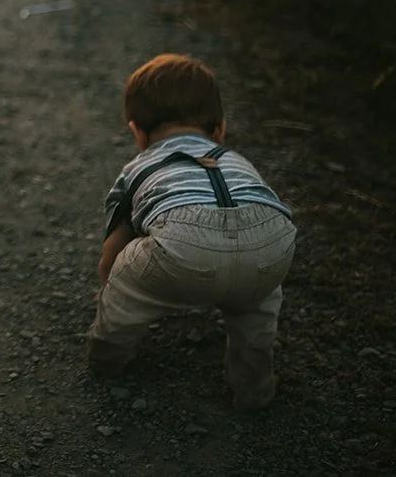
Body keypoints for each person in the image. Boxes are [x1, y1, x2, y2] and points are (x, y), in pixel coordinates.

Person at [88, 54, 297, 410]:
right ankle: (254, 387)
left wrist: (117, 280)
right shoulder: (238, 161)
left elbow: (112, 252)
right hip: (272, 240)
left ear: (138, 133)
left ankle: (107, 357)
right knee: (257, 306)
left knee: (125, 280)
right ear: (220, 130)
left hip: (185, 243)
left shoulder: (138, 168)